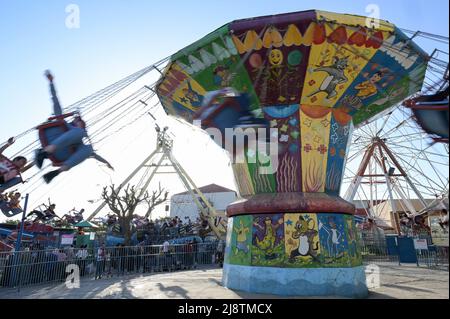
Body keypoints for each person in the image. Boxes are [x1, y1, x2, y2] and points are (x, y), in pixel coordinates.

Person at [35, 70, 114, 183]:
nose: (80, 122)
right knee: (79, 132)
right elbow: (55, 100)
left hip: (64, 152)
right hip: (52, 137)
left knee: (89, 149)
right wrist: (51, 82)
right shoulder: (63, 122)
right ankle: (44, 153)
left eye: (82, 123)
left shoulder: (80, 140)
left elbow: (94, 155)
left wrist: (106, 162)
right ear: (74, 120)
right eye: (78, 121)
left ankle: (55, 173)